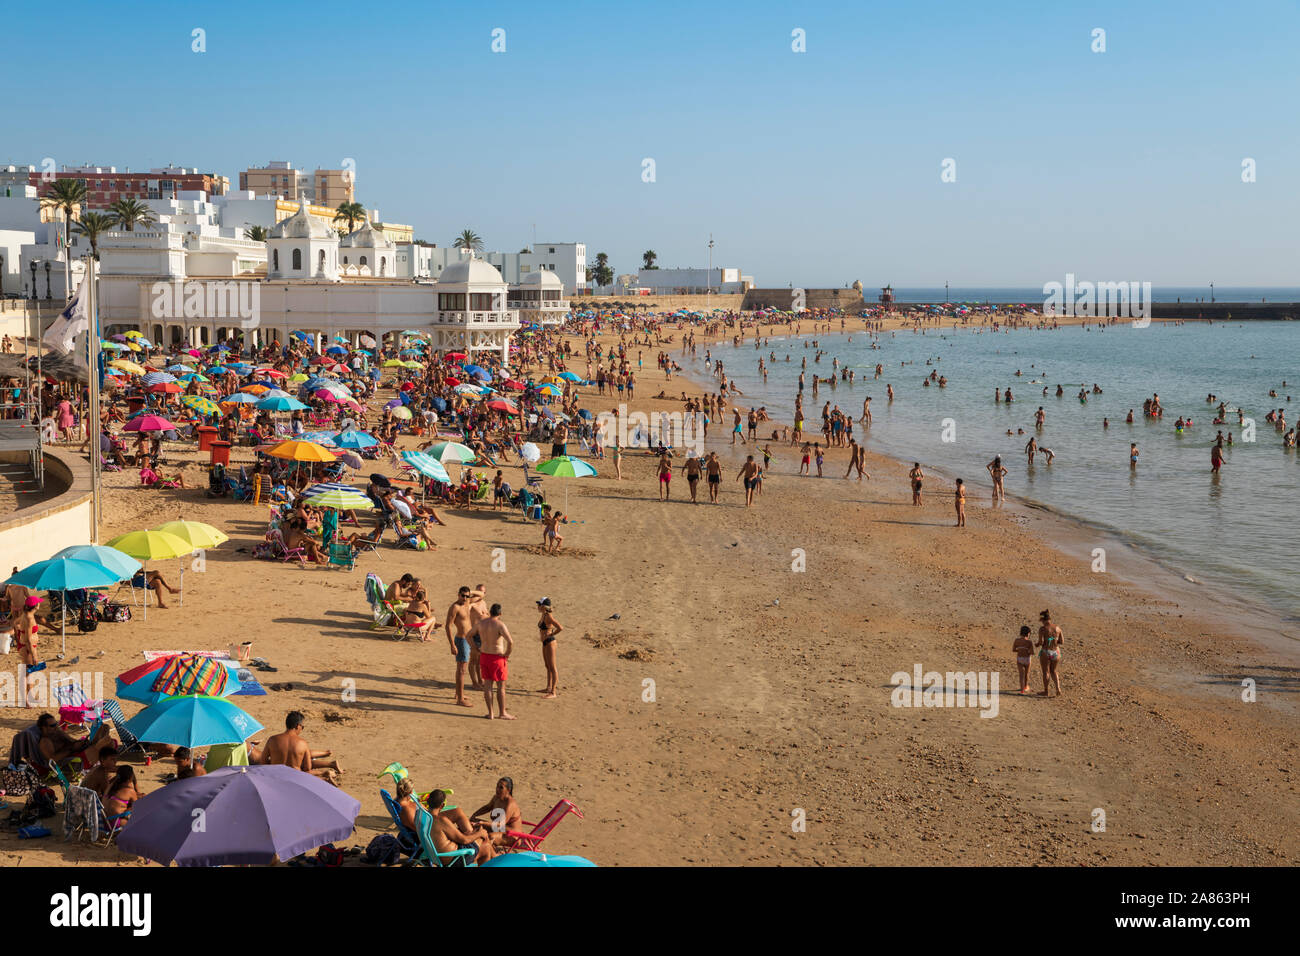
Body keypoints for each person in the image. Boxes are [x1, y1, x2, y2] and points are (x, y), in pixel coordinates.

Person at [261, 711, 342, 784]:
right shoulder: (302, 743)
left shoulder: (272, 739)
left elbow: (263, 761)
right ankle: (324, 777)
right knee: (306, 774)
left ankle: (324, 776)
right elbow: (308, 767)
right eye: (302, 727)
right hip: (296, 779)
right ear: (297, 726)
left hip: (276, 778)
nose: (301, 729)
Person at [468, 604, 514, 720]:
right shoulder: (500, 624)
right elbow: (511, 642)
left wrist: (475, 648)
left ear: (489, 612)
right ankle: (502, 712)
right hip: (497, 657)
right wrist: (507, 654)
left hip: (484, 656)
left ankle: (491, 713)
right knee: (500, 687)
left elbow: (468, 636)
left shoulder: (481, 624)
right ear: (500, 614)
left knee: (488, 686)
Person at [424, 789, 496, 864]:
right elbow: (464, 840)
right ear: (442, 805)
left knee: (475, 833)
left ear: (428, 801)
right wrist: (480, 833)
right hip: (454, 859)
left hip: (434, 855)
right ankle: (495, 857)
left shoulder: (421, 816)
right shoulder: (441, 821)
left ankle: (495, 856)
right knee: (486, 845)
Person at [445, 585, 484, 704]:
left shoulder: (467, 603)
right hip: (461, 640)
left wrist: (470, 592)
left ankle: (458, 693)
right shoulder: (455, 607)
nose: (465, 598)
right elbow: (448, 626)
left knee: (462, 669)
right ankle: (460, 699)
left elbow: (481, 595)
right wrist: (452, 644)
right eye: (463, 595)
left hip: (469, 639)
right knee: (462, 669)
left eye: (467, 596)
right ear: (458, 595)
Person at [471, 776, 523, 847]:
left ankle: (490, 854)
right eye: (497, 786)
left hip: (512, 836)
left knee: (490, 836)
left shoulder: (510, 804)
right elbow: (487, 807)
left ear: (508, 790)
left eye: (501, 787)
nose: (497, 789)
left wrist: (483, 823)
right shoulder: (496, 798)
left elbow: (501, 824)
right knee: (473, 824)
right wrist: (474, 815)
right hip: (498, 829)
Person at [536, 597, 562, 699]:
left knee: (553, 667)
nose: (537, 606)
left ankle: (553, 692)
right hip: (545, 643)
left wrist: (551, 634)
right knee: (547, 666)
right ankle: (548, 687)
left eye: (539, 604)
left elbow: (560, 627)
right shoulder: (544, 615)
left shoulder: (549, 617)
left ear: (543, 606)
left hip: (550, 643)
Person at [1036, 610, 1064, 697]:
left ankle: (1046, 691)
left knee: (1046, 672)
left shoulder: (1043, 629)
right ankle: (1058, 689)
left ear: (1043, 620)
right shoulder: (1058, 628)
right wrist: (1053, 641)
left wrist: (1037, 644)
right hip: (1056, 652)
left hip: (1046, 652)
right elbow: (1062, 641)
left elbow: (1041, 642)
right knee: (1054, 671)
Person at [1013, 626, 1034, 695]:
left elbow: (1013, 649)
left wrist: (1020, 649)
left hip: (1020, 659)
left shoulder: (1016, 640)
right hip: (1027, 659)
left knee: (1021, 675)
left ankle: (1022, 690)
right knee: (1026, 674)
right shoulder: (1029, 642)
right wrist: (1026, 650)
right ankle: (1025, 687)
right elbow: (1032, 652)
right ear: (1028, 633)